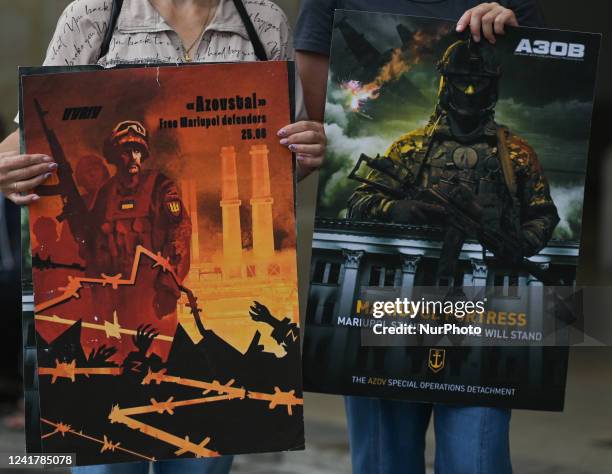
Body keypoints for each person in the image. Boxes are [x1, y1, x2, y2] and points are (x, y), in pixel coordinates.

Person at [0, 0, 326, 473]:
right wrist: (9, 172)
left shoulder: (262, 21)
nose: (131, 159)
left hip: (161, 304)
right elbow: (28, 135)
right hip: (108, 312)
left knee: (199, 438)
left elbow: (282, 159)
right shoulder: (91, 16)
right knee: (105, 455)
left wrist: (308, 148)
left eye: (137, 150)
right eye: (124, 150)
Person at [295, 1, 546, 474]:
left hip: (485, 317)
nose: (469, 92)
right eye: (462, 83)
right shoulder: (409, 148)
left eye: (479, 85)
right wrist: (401, 208)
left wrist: (519, 243)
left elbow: (543, 216)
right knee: (383, 461)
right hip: (391, 311)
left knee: (478, 460)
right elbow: (356, 200)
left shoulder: (516, 155)